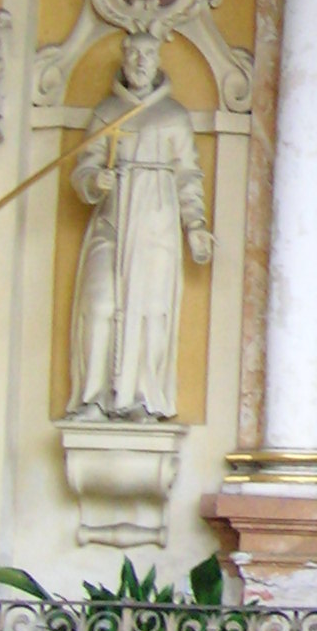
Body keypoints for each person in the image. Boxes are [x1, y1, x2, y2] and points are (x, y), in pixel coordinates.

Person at [67, 34, 212, 420]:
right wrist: (93, 180)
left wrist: (195, 224)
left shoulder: (173, 117)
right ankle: (95, 397)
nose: (140, 61)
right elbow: (84, 167)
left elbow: (188, 175)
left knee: (150, 308)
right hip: (112, 221)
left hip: (155, 223)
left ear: (157, 60)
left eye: (147, 54)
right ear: (124, 60)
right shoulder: (107, 113)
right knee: (100, 304)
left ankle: (143, 398)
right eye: (133, 54)